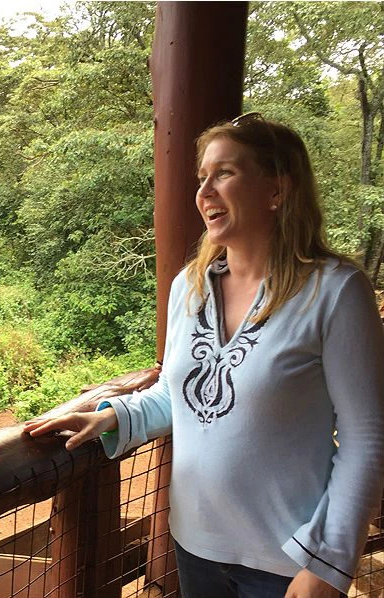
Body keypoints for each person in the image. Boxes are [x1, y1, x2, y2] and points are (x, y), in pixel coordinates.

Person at [24, 113, 384, 598]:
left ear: (277, 189)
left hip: (291, 560)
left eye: (225, 173)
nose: (205, 192)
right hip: (195, 546)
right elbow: (180, 395)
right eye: (201, 178)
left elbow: (367, 437)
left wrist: (329, 561)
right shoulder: (189, 289)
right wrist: (110, 415)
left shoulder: (335, 291)